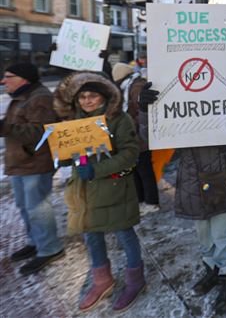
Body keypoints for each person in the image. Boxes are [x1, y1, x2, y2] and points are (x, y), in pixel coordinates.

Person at [138, 82, 226, 314]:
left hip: (224, 170)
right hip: (193, 175)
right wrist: (145, 110)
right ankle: (212, 268)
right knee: (202, 229)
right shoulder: (176, 95)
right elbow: (150, 135)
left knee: (223, 231)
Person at [53, 72, 143, 312]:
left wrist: (97, 169)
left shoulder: (118, 119)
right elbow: (69, 151)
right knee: (91, 236)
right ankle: (102, 280)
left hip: (113, 189)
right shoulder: (72, 122)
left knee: (124, 233)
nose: (87, 101)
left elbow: (131, 153)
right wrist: (63, 158)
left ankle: (136, 279)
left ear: (104, 97)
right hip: (83, 192)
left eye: (93, 96)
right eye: (82, 96)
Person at [0, 63, 65, 275]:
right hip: (21, 163)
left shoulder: (40, 97)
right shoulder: (23, 96)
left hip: (35, 163)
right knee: (25, 206)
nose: (4, 80)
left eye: (9, 76)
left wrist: (5, 128)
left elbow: (40, 133)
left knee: (38, 208)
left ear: (24, 79)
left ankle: (49, 248)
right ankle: (35, 242)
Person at [112, 62, 160, 215]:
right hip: (132, 136)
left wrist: (129, 124)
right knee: (135, 169)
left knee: (145, 169)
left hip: (139, 135)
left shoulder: (136, 86)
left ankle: (152, 202)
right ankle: (140, 200)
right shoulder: (128, 86)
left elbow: (143, 110)